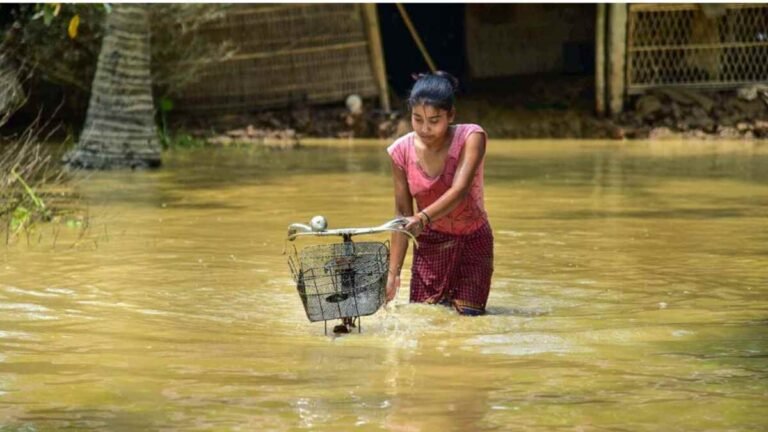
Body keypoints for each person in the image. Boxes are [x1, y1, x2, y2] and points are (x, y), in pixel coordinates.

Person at [385, 71, 494, 316]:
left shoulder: (471, 137)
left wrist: (422, 218)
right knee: (427, 319)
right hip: (431, 244)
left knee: (469, 319)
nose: (425, 128)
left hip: (473, 239)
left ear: (451, 115)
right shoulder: (400, 152)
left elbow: (460, 190)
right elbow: (403, 213)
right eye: (417, 119)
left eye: (434, 120)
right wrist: (393, 274)